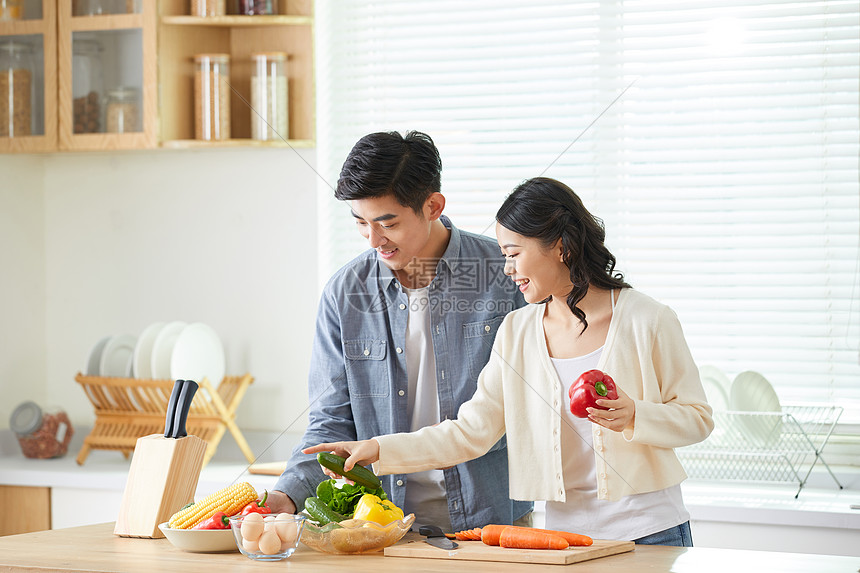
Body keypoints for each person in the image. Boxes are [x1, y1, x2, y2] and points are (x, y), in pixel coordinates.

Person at [304, 177, 714, 546]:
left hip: (652, 530)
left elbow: (698, 418)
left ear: (561, 246)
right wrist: (378, 449)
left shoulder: (648, 320)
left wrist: (633, 415)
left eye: (515, 253)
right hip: (567, 537)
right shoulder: (517, 330)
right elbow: (471, 432)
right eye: (503, 254)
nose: (507, 269)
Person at [266, 131, 532, 532]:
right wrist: (287, 494)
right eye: (360, 223)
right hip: (382, 526)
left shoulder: (505, 274)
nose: (374, 240)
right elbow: (330, 419)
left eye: (387, 223)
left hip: (494, 523)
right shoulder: (345, 292)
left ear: (432, 205)